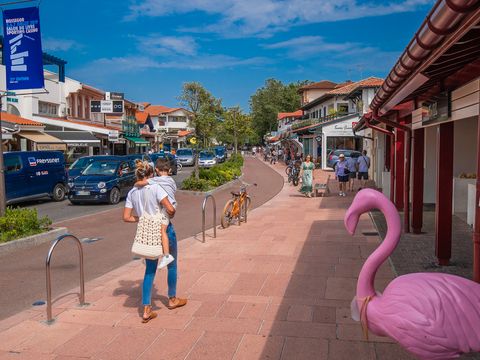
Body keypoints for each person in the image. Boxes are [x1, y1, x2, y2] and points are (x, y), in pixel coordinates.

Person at [123, 162, 186, 323]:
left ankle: (146, 309)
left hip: (148, 233)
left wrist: (143, 218)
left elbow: (127, 217)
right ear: (151, 174)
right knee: (172, 264)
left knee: (149, 271)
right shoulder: (156, 188)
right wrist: (168, 212)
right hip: (164, 229)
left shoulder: (132, 193)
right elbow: (170, 209)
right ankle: (172, 299)